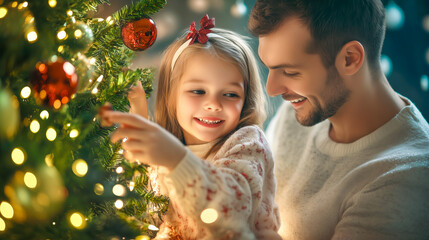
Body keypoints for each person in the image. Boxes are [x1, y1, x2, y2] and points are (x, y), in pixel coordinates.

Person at [248, 0, 429, 239]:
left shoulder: (405, 179)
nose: (271, 89)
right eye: (269, 68)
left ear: (350, 59)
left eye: (290, 72)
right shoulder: (300, 110)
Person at [100, 15, 281, 240]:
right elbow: (147, 200)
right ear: (170, 96)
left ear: (246, 100)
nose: (214, 104)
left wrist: (177, 160)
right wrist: (138, 111)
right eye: (198, 91)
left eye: (230, 94)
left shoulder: (248, 143)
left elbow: (232, 206)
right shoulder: (172, 146)